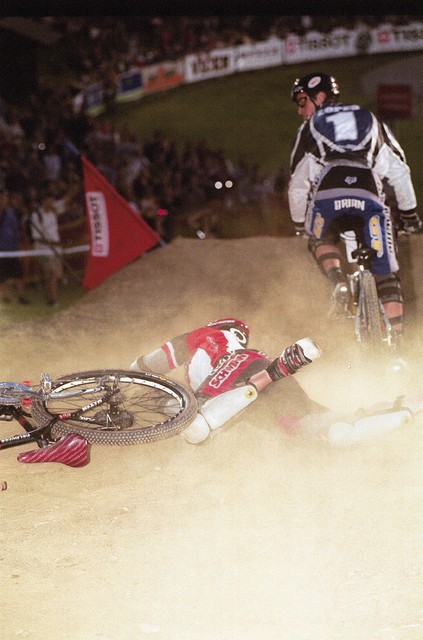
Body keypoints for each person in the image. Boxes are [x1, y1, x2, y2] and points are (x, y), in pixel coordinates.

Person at [288, 71, 422, 340]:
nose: (301, 111)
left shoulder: (310, 127)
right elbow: (399, 171)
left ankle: (337, 279)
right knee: (385, 273)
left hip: (328, 195)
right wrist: (410, 215)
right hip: (369, 196)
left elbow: (297, 186)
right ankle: (396, 343)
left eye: (303, 102)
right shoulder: (372, 119)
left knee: (319, 237)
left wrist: (301, 225)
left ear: (320, 96)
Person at [130, 318, 323, 444]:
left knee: (195, 422)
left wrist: (125, 378)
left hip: (235, 368)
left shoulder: (210, 334)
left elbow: (152, 362)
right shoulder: (225, 348)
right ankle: (341, 427)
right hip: (256, 372)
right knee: (298, 419)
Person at [30, 189, 64, 307]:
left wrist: (56, 244)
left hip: (56, 249)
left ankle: (50, 297)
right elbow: (36, 236)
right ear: (44, 201)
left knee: (54, 275)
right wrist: (52, 243)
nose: (52, 202)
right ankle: (52, 299)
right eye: (50, 200)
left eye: (53, 200)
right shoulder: (36, 216)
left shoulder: (53, 214)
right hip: (44, 250)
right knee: (52, 274)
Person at [0, 187, 30, 305]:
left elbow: (17, 229)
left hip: (13, 249)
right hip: (1, 250)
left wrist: (20, 242)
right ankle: (4, 297)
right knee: (1, 276)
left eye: (6, 197)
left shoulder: (11, 212)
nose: (4, 199)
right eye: (2, 196)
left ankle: (21, 296)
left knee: (18, 274)